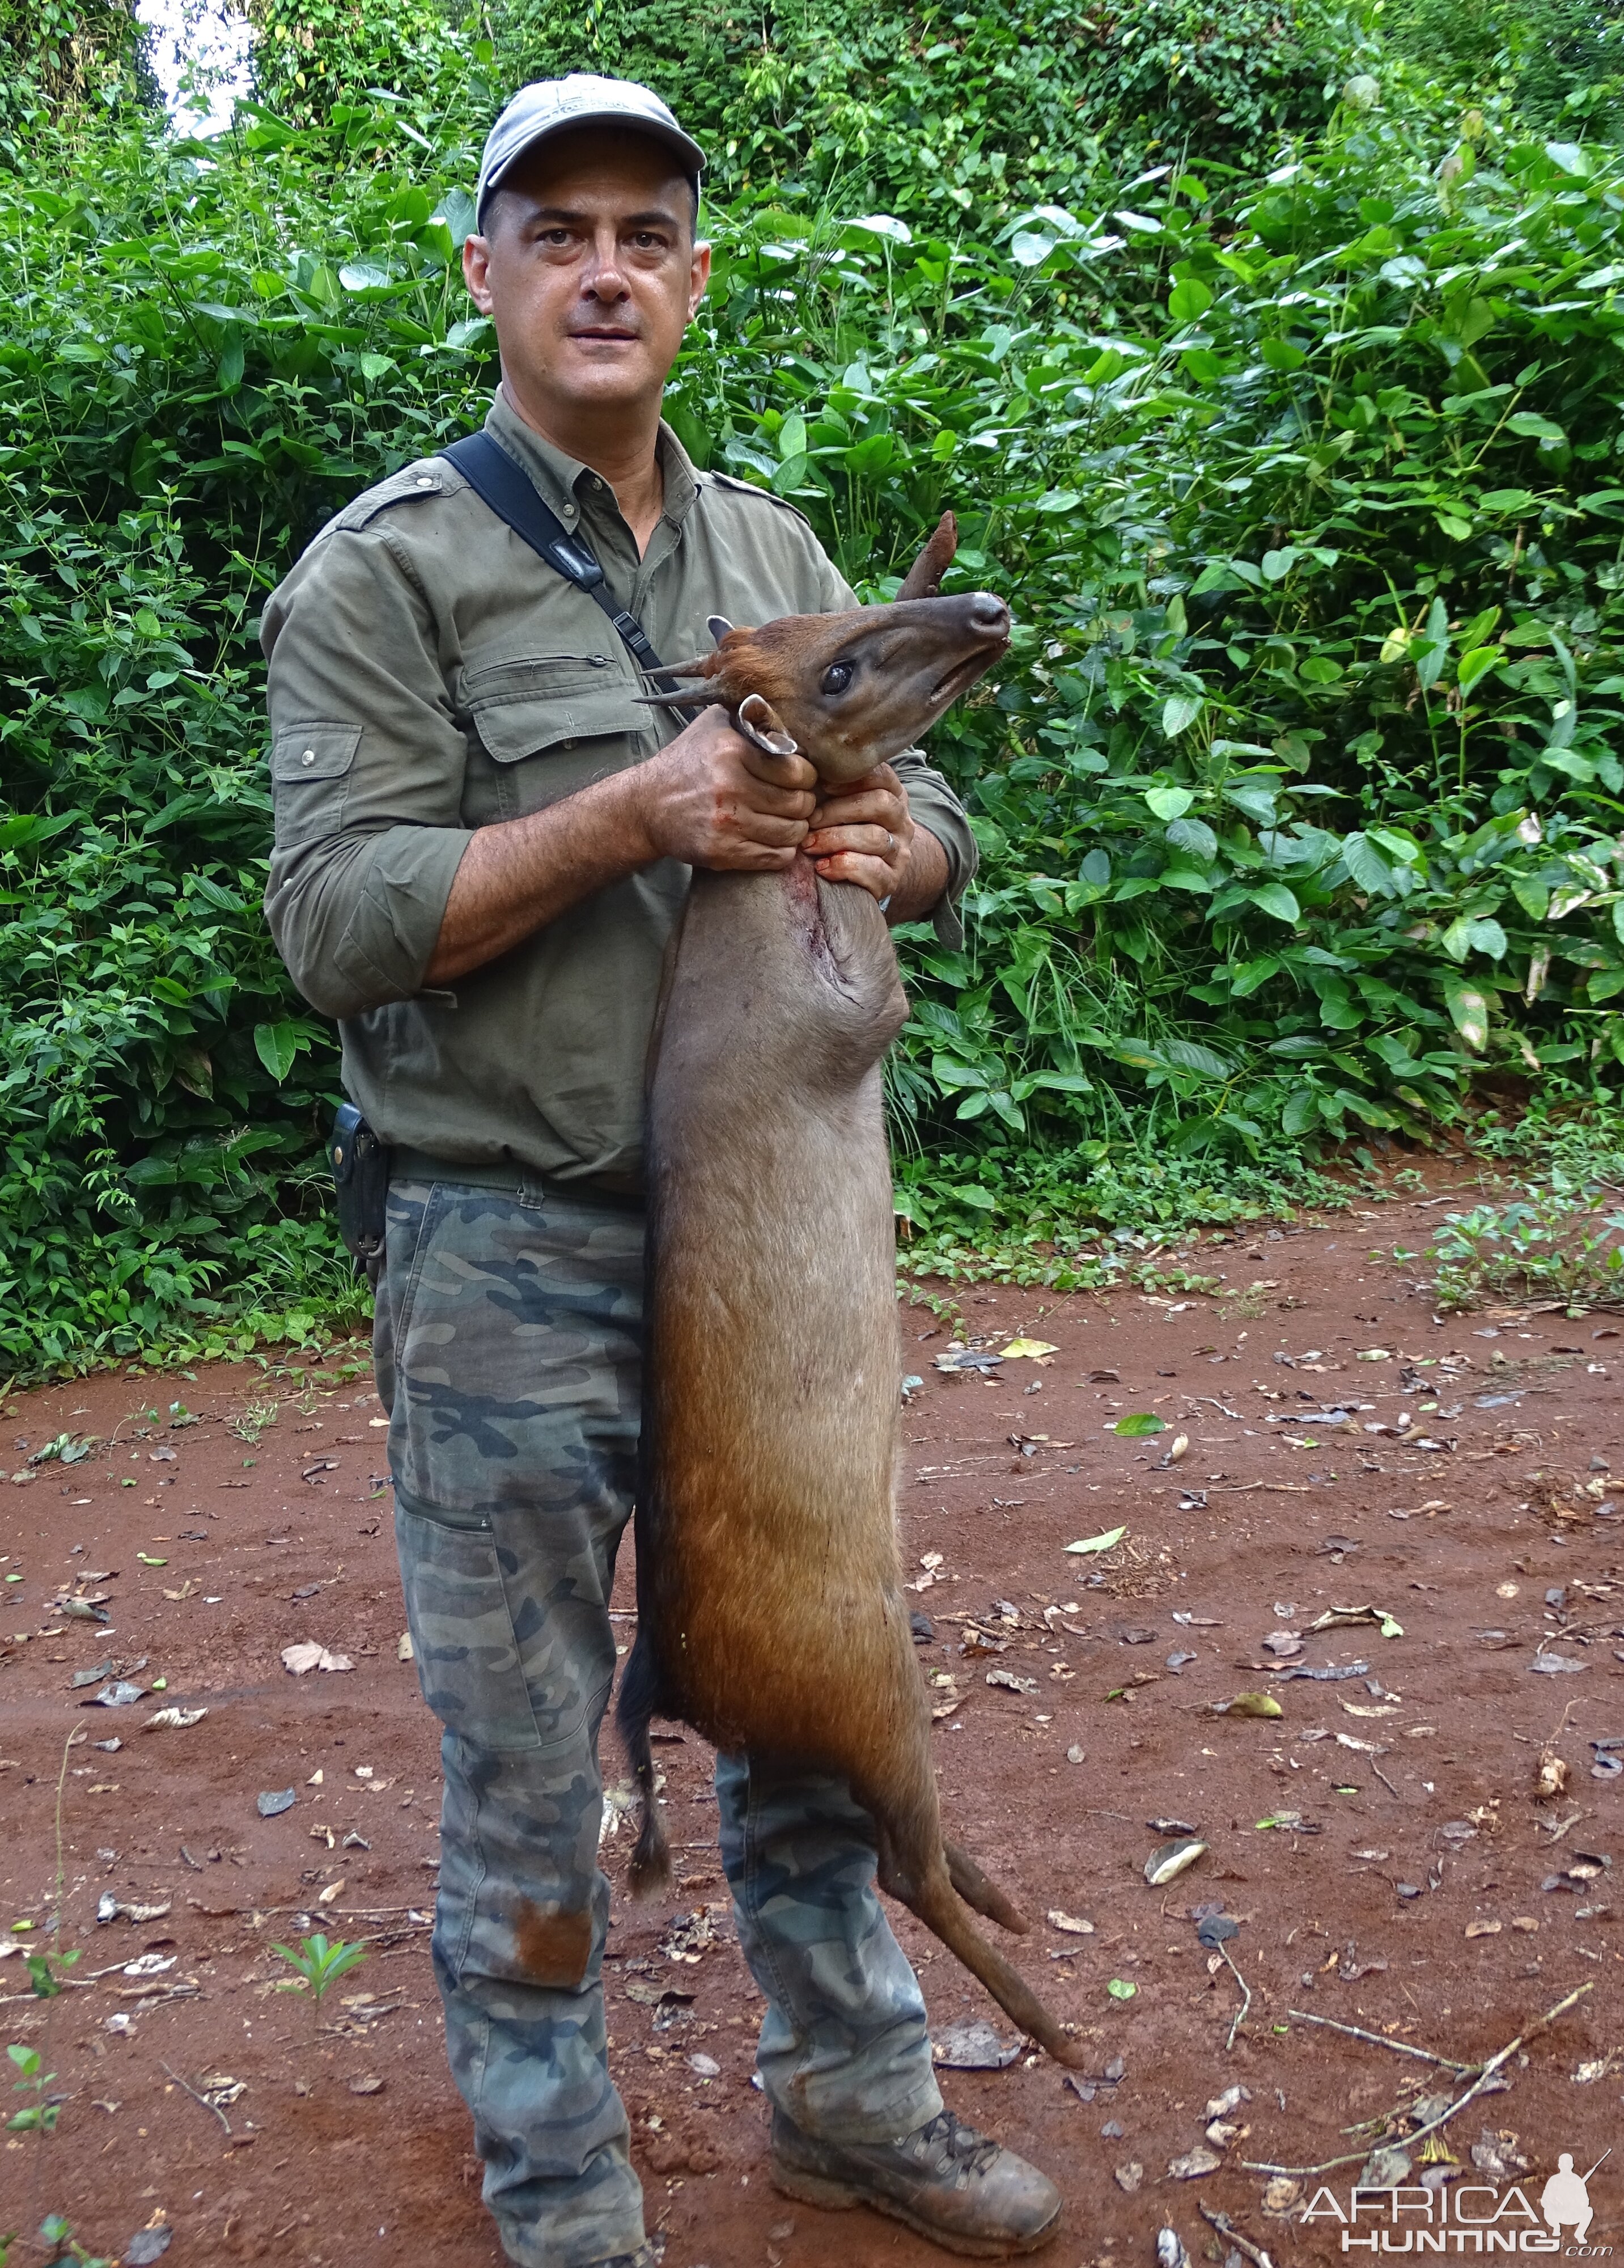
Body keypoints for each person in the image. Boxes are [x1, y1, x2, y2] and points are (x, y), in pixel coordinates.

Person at [261, 71, 1063, 2268]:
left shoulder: (780, 555)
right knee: (531, 1758)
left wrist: (923, 849)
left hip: (774, 1251)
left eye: (645, 231)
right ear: (488, 273)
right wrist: (626, 812)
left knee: (807, 1684)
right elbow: (330, 925)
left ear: (692, 277)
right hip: (501, 1241)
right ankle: (563, 2188)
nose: (605, 266)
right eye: (560, 229)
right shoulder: (389, 568)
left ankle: (856, 2104)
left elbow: (917, 815)